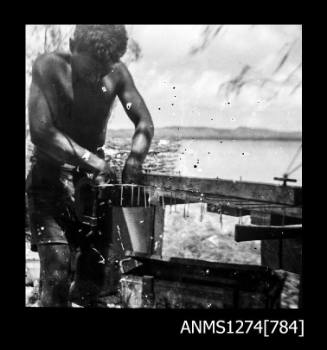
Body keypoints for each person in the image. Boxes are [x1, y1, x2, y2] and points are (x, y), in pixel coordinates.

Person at [26, 25, 154, 307]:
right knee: (57, 276)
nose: (96, 77)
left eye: (102, 71)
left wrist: (135, 158)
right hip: (49, 186)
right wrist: (93, 161)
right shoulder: (48, 67)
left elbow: (144, 123)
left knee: (92, 283)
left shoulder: (117, 73)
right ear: (72, 46)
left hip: (93, 191)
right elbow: (41, 131)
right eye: (89, 70)